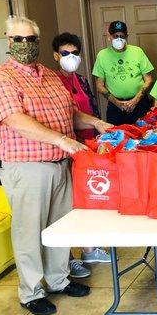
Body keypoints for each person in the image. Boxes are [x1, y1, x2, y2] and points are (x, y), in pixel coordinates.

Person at [0, 16, 113, 315]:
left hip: (60, 164)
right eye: (18, 39)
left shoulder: (51, 76)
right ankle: (31, 291)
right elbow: (17, 121)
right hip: (27, 166)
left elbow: (71, 113)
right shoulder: (1, 79)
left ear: (38, 42)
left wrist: (96, 122)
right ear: (8, 41)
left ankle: (58, 279)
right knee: (29, 230)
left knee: (60, 226)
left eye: (30, 39)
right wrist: (61, 140)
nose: (25, 45)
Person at [52, 32, 111, 279]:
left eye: (75, 53)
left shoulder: (81, 80)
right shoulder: (53, 83)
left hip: (87, 145)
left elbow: (90, 108)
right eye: (66, 53)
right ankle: (69, 259)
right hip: (66, 146)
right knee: (67, 205)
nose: (71, 57)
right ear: (56, 56)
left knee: (88, 198)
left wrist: (99, 131)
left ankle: (89, 248)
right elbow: (69, 114)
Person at [93, 20, 154, 125]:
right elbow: (99, 85)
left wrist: (135, 100)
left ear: (127, 36)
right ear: (109, 36)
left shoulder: (137, 52)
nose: (119, 39)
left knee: (145, 136)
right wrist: (117, 103)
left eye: (122, 36)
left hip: (139, 103)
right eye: (115, 36)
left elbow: (148, 79)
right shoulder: (102, 55)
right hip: (115, 106)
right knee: (116, 138)